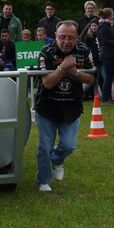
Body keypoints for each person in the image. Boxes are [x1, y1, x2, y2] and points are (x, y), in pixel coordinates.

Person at [34, 20, 94, 192]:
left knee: (69, 145)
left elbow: (91, 78)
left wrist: (74, 72)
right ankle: (43, 181)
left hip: (72, 105)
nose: (66, 41)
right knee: (45, 146)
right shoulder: (46, 52)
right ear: (55, 36)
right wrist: (63, 68)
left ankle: (57, 160)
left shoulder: (84, 50)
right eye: (62, 37)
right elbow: (47, 83)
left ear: (77, 37)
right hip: (47, 105)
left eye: (70, 37)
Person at [96, 8, 114, 103]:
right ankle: (106, 98)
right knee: (108, 78)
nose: (113, 16)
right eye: (112, 14)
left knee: (109, 77)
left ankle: (108, 97)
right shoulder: (104, 27)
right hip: (107, 55)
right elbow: (105, 41)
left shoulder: (106, 25)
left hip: (110, 54)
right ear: (109, 16)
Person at [80, 21, 101, 100]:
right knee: (93, 79)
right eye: (92, 26)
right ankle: (83, 93)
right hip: (92, 61)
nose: (94, 27)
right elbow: (87, 50)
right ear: (90, 27)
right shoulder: (88, 37)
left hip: (100, 60)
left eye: (95, 25)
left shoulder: (100, 35)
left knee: (99, 79)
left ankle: (95, 94)